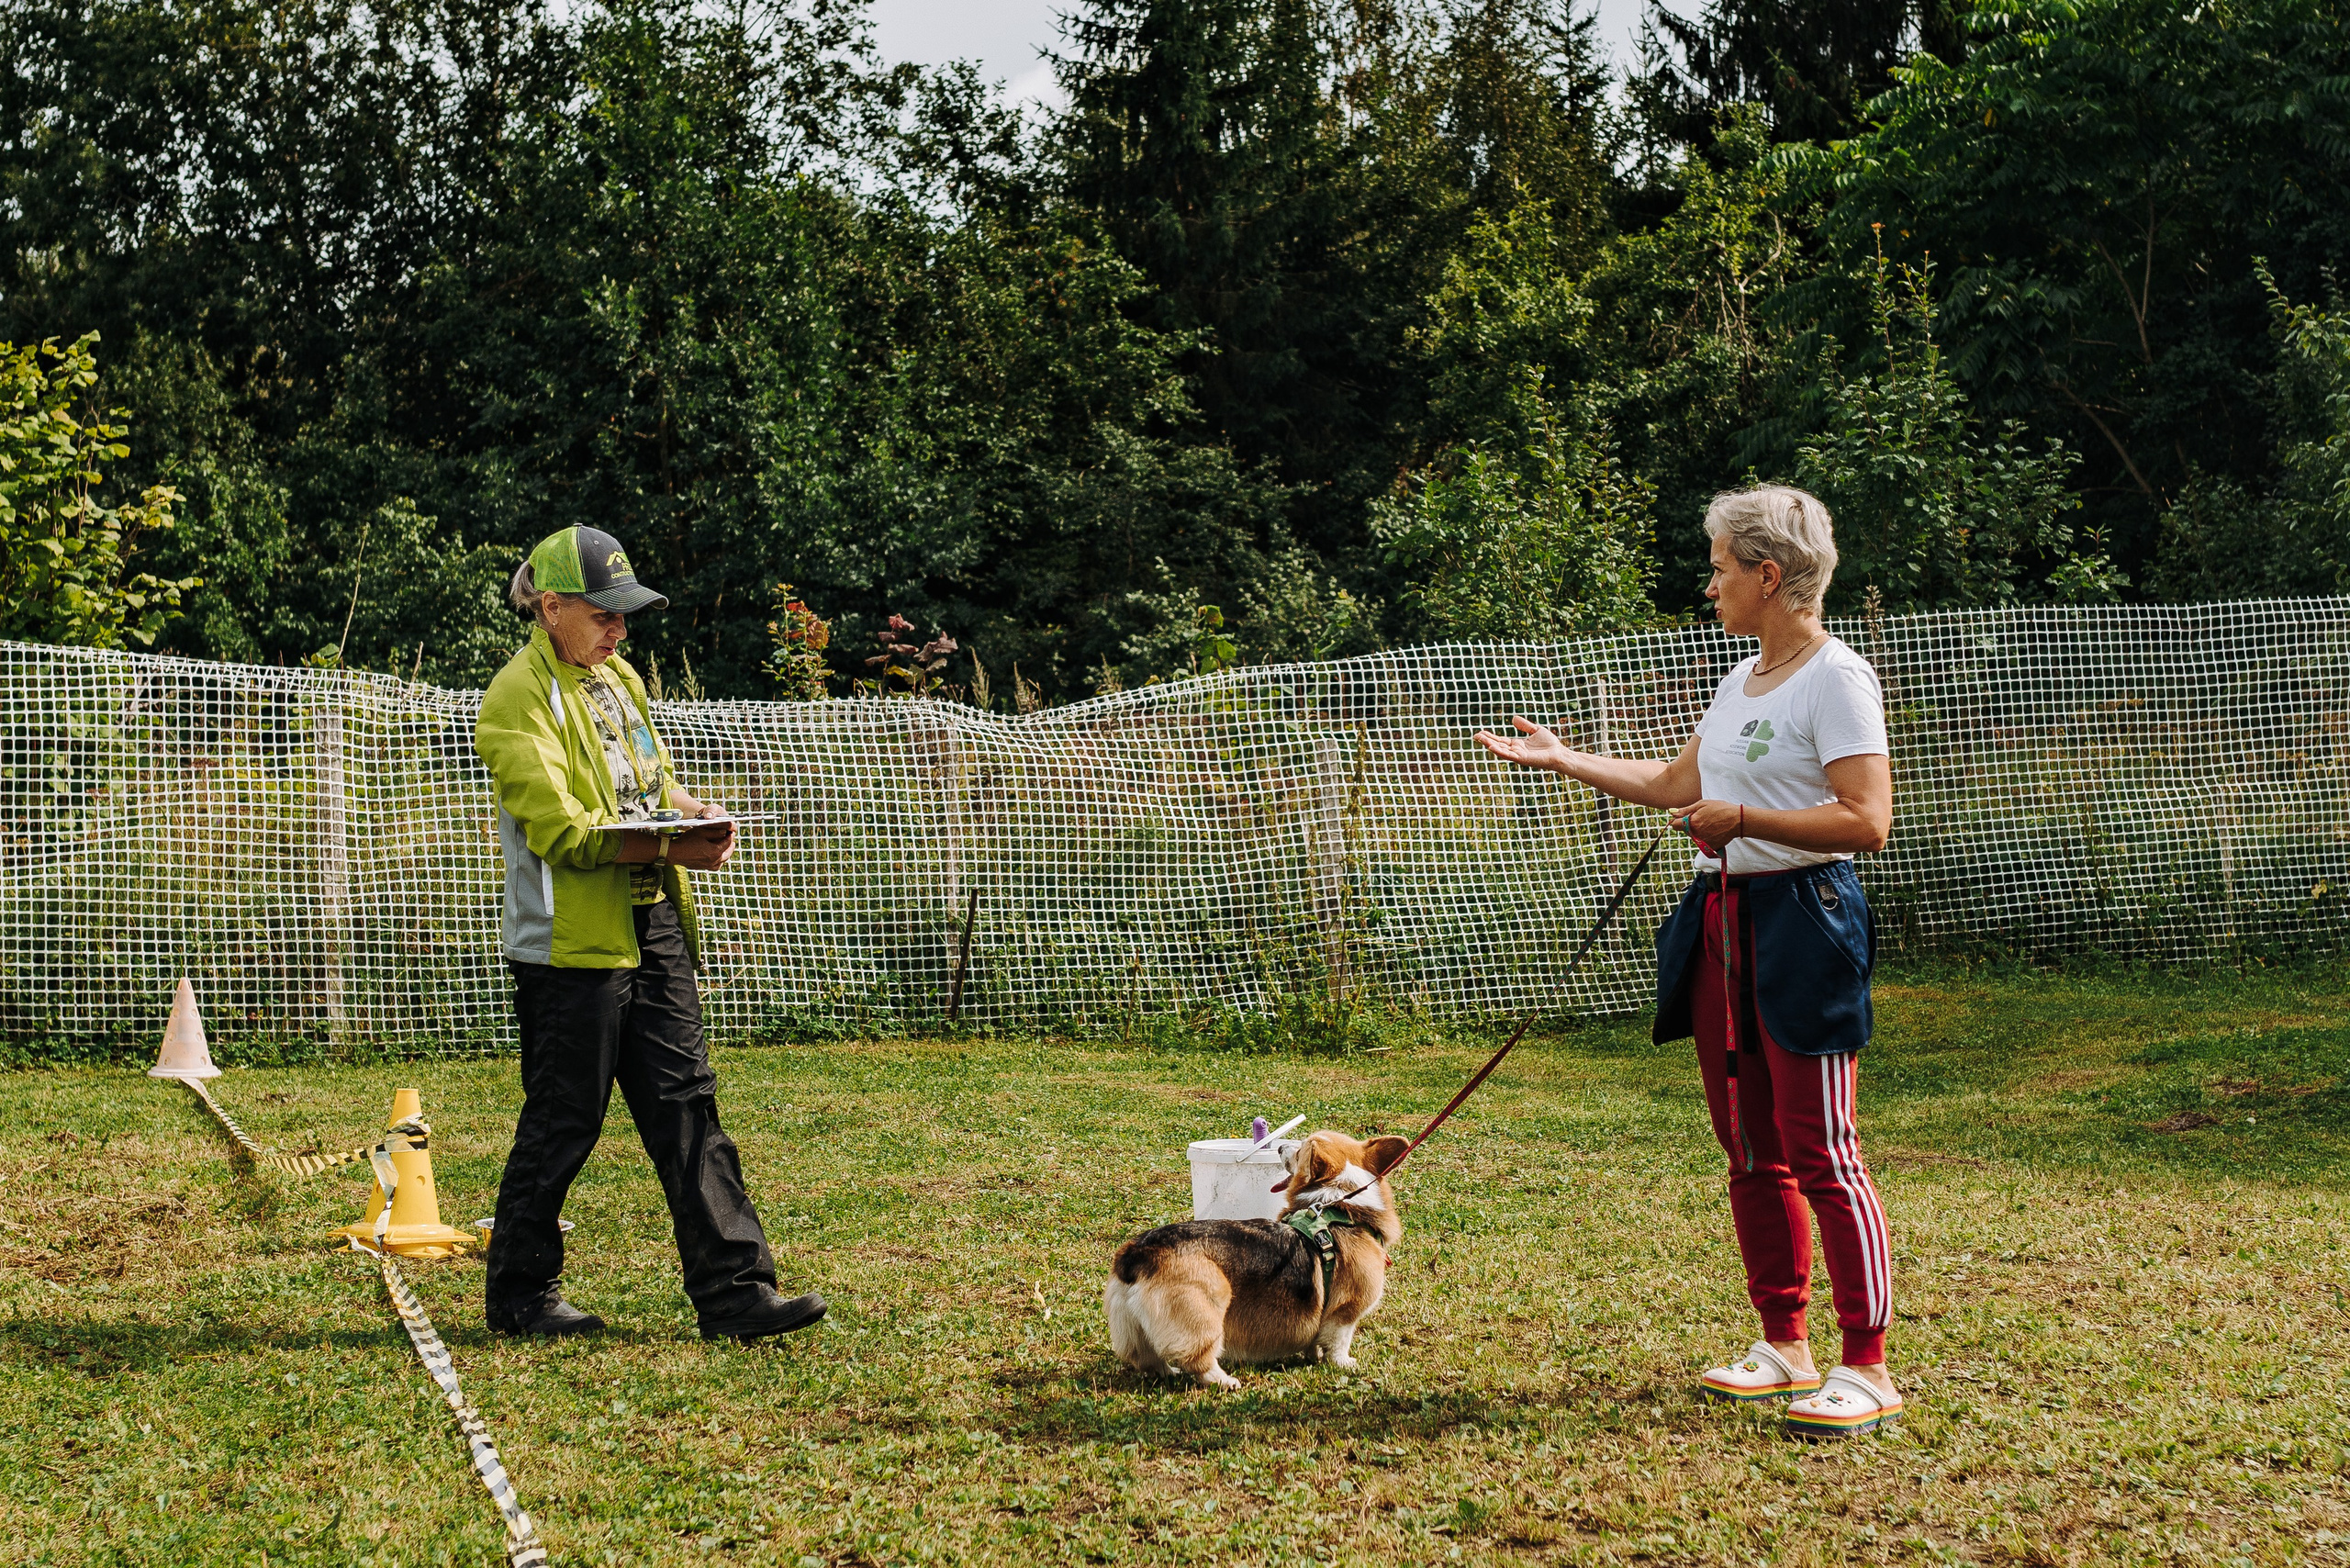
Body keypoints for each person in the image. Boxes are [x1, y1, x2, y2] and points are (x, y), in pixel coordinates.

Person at [1475, 485, 1901, 1439]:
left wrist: (1744, 819)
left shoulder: (1836, 677)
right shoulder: (1739, 678)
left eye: (1717, 568)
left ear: (1768, 574)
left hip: (1805, 918)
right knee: (1747, 1145)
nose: (1707, 585)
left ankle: (1865, 1365)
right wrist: (1564, 760)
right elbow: (1676, 784)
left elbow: (1865, 821)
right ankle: (1782, 1344)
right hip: (1721, 919)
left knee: (1821, 1149)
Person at [474, 525, 826, 1343]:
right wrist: (675, 843)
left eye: (628, 617)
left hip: (650, 920)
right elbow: (563, 831)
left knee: (686, 1105)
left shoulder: (618, 680)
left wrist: (693, 807)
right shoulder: (516, 697)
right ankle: (520, 1294)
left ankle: (737, 1294)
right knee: (565, 1121)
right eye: (607, 616)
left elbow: (643, 778)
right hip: (569, 948)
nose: (621, 631)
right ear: (552, 607)